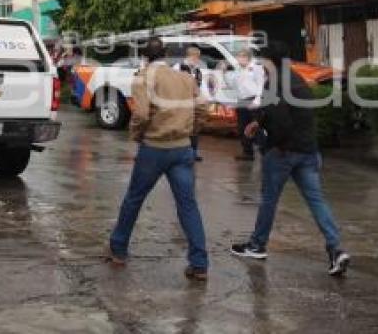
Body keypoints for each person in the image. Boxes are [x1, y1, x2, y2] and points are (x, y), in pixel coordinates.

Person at [231, 41, 351, 277]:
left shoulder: (274, 82)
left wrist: (272, 147)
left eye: (262, 60)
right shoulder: (295, 78)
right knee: (316, 201)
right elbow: (287, 112)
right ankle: (336, 249)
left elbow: (282, 121)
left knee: (269, 200)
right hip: (308, 151)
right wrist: (260, 122)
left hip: (285, 152)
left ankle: (257, 245)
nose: (260, 64)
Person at [107, 37, 209, 281]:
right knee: (188, 205)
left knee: (134, 199)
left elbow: (141, 113)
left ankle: (118, 250)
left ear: (145, 57)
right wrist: (191, 131)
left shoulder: (143, 77)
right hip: (183, 149)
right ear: (164, 55)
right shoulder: (185, 78)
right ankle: (199, 263)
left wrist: (137, 135)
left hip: (154, 148)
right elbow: (203, 108)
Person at [230, 48, 265, 161]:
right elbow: (235, 85)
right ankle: (247, 152)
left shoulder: (256, 67)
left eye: (241, 56)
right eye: (238, 57)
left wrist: (257, 100)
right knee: (242, 126)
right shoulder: (238, 69)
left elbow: (261, 84)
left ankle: (264, 150)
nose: (239, 59)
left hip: (253, 99)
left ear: (247, 57)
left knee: (256, 126)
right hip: (241, 100)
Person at [176, 45, 205, 162]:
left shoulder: (197, 71)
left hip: (193, 103)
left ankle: (193, 152)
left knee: (194, 128)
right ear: (189, 57)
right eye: (196, 58)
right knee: (182, 128)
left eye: (198, 58)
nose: (197, 60)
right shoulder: (178, 67)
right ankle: (181, 152)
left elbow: (198, 87)